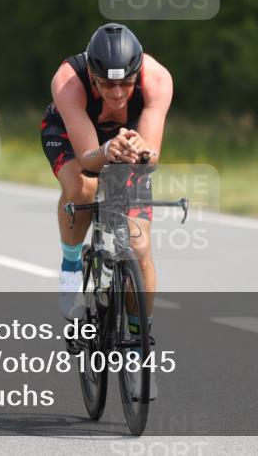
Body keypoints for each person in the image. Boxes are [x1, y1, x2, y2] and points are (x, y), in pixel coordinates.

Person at [40, 23, 173, 398]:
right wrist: (106, 152)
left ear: (137, 75)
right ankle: (70, 270)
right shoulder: (68, 80)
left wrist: (142, 154)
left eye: (125, 84)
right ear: (91, 76)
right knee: (80, 187)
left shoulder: (157, 79)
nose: (116, 94)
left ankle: (138, 345)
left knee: (141, 248)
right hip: (73, 135)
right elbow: (86, 159)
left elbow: (150, 155)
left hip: (126, 140)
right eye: (106, 84)